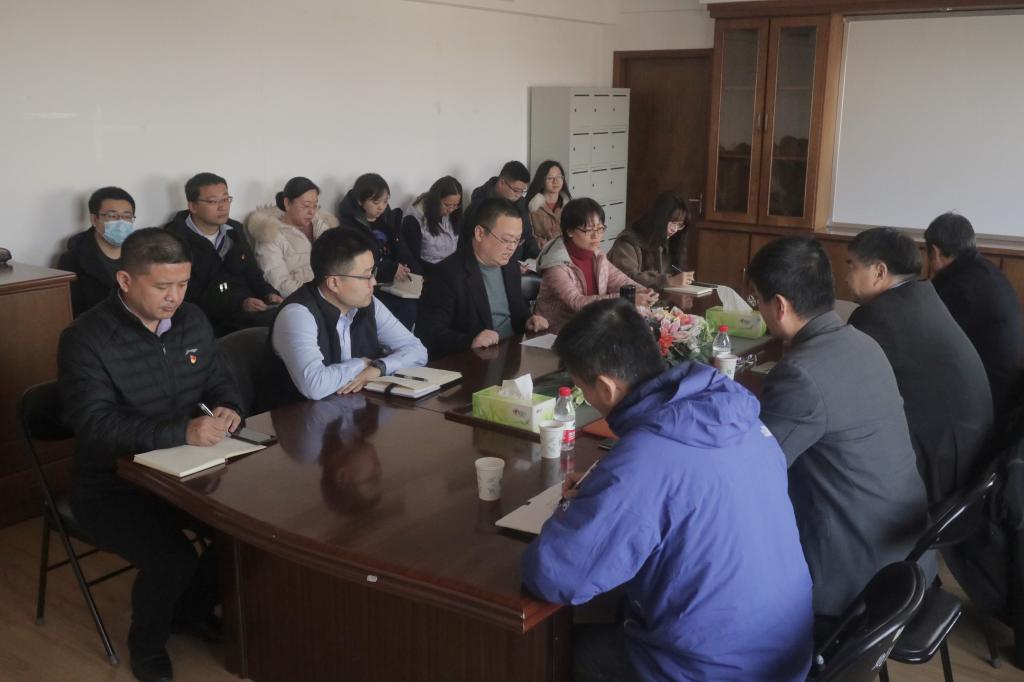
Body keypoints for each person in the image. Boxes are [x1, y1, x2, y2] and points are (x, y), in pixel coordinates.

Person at [522, 298, 813, 682]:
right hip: (783, 652)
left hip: (710, 669)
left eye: (581, 387)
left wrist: (575, 508)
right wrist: (606, 490)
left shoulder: (643, 461)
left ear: (606, 387)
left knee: (544, 653)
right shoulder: (736, 417)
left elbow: (555, 576)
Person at [58, 228, 243, 682]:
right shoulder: (86, 338)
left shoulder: (193, 319)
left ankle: (189, 612)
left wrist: (229, 405)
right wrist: (182, 431)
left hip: (185, 469)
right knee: (172, 560)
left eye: (182, 284)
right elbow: (95, 425)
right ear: (125, 280)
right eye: (162, 286)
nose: (175, 297)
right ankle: (147, 644)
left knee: (240, 535)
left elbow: (219, 378)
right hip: (111, 484)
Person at [748, 236, 932, 627]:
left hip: (854, 575)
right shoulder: (863, 343)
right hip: (905, 554)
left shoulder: (800, 374)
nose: (758, 309)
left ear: (779, 305)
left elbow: (754, 471)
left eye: (757, 301)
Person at [846, 227, 993, 504]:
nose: (845, 276)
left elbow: (841, 381)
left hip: (942, 465)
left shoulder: (876, 316)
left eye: (851, 265)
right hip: (973, 451)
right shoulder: (922, 294)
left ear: (879, 272)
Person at [267, 228, 427, 407]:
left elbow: (418, 350)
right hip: (300, 417)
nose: (373, 282)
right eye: (366, 276)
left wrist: (379, 367)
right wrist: (361, 364)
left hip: (356, 410)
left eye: (373, 272)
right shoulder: (298, 314)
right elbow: (314, 385)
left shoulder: (369, 304)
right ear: (334, 283)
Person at [416, 197, 548, 358]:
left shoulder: (510, 266)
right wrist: (470, 341)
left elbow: (517, 311)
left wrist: (529, 321)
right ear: (479, 233)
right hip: (473, 361)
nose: (512, 248)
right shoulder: (446, 274)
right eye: (506, 240)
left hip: (510, 355)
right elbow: (427, 334)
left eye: (516, 241)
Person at [925, 212, 1024, 417]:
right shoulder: (985, 271)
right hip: (1008, 391)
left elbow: (930, 344)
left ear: (934, 252)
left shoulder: (960, 288)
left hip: (988, 399)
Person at [164, 172, 281, 335]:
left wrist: (268, 294)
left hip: (247, 311)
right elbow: (190, 295)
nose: (223, 207)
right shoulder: (173, 240)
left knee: (291, 317)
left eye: (226, 199)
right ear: (193, 206)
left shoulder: (235, 230)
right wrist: (241, 303)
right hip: (209, 321)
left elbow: (253, 273)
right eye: (213, 201)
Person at [535, 198, 657, 333]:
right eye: (589, 230)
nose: (596, 236)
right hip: (559, 333)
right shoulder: (556, 265)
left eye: (600, 229)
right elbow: (578, 303)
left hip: (592, 329)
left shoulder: (597, 255)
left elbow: (620, 280)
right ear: (569, 231)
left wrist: (643, 291)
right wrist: (628, 299)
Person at [336, 172, 415, 328]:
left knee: (416, 301)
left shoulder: (388, 219)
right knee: (405, 307)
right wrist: (391, 269)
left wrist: (410, 269)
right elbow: (357, 264)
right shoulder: (350, 226)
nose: (381, 207)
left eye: (385, 202)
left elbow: (402, 248)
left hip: (394, 281)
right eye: (375, 202)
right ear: (360, 201)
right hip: (371, 284)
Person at [246, 176, 339, 296]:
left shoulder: (322, 226)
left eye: (315, 205)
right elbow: (280, 284)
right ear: (287, 203)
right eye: (306, 206)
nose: (311, 211)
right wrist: (321, 293)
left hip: (334, 293)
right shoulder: (270, 235)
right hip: (303, 299)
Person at [59, 186, 137, 317]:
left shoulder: (143, 254)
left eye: (127, 216)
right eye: (112, 216)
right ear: (94, 219)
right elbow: (70, 312)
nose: (120, 222)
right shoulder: (72, 261)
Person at [608, 190, 694, 291]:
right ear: (659, 218)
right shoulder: (628, 242)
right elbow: (626, 279)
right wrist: (669, 281)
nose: (675, 229)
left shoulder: (670, 240)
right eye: (672, 222)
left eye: (679, 225)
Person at [458, 161, 541, 262]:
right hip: (487, 263)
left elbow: (527, 237)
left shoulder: (521, 204)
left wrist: (538, 259)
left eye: (522, 191)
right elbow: (468, 242)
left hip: (518, 264)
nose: (519, 195)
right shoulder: (479, 205)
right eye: (516, 190)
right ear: (501, 183)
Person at [399, 175, 463, 278]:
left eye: (455, 206)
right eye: (447, 205)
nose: (451, 210)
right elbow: (414, 262)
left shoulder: (454, 213)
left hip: (451, 269)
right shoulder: (413, 220)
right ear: (436, 200)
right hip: (429, 274)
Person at [525, 160, 571, 248]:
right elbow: (528, 236)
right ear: (542, 180)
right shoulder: (532, 206)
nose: (555, 181)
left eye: (559, 177)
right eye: (550, 178)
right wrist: (538, 241)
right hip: (540, 252)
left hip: (565, 251)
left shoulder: (569, 206)